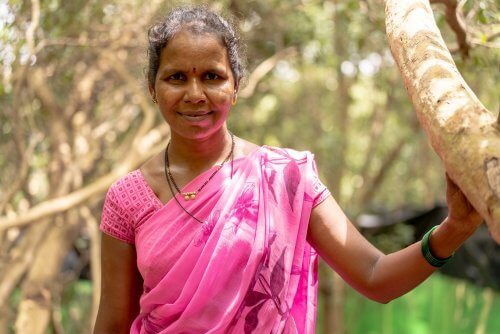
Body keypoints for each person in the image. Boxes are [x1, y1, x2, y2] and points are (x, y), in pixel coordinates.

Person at [93, 6, 483, 334]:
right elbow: (113, 323)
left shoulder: (285, 179)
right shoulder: (128, 199)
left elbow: (375, 275)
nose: (195, 94)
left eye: (212, 76)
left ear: (235, 86)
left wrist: (454, 231)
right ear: (153, 87)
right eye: (177, 77)